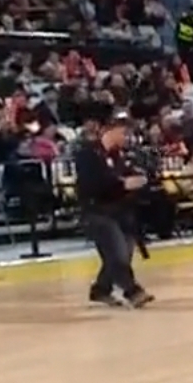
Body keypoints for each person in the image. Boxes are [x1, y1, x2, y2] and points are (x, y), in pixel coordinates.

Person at [73, 115, 151, 309]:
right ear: (110, 130)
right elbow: (91, 184)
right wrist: (122, 184)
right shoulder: (88, 155)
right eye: (124, 133)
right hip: (97, 212)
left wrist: (136, 181)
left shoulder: (118, 157)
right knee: (117, 254)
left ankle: (101, 289)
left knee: (121, 254)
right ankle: (132, 291)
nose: (127, 138)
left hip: (120, 212)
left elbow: (125, 178)